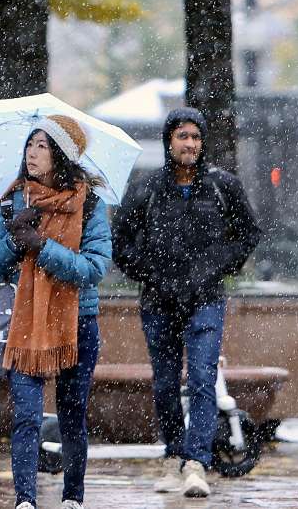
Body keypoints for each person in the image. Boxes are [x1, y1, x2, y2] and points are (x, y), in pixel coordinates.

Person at [112, 107, 261, 498]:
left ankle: (197, 463)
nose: (190, 144)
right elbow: (121, 243)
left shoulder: (221, 186)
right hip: (158, 301)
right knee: (164, 384)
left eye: (196, 137)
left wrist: (215, 268)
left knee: (201, 378)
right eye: (183, 136)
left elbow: (248, 234)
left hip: (206, 299)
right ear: (169, 141)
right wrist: (152, 273)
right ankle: (172, 457)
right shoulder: (146, 189)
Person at [0, 115, 111, 509]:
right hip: (26, 322)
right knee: (27, 416)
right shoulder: (14, 201)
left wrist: (40, 246)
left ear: (62, 156)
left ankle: (73, 497)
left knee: (72, 415)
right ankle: (25, 500)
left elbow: (93, 269)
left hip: (78, 322)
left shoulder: (89, 205)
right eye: (30, 145)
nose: (32, 153)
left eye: (43, 146)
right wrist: (16, 242)